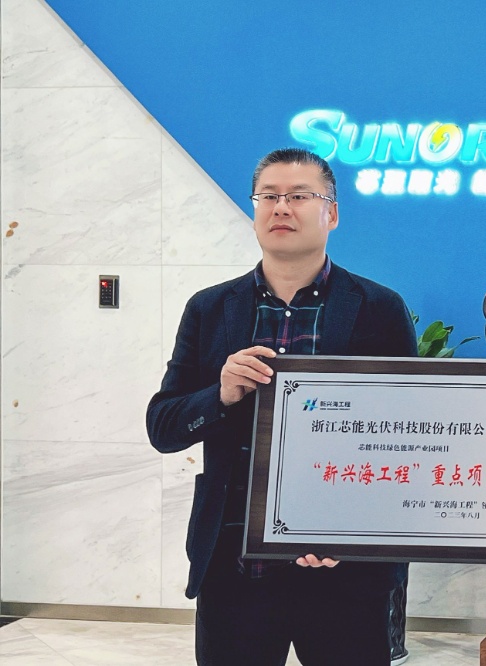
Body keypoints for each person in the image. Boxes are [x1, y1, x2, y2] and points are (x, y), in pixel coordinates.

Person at [147, 148, 416, 665]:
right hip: (235, 568)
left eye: (299, 196)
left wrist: (352, 536)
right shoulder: (210, 309)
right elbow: (163, 426)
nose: (281, 208)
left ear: (331, 213)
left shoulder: (379, 308)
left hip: (344, 572)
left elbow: (405, 437)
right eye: (268, 196)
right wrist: (219, 394)